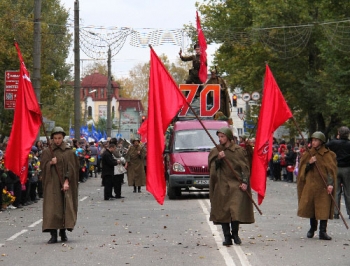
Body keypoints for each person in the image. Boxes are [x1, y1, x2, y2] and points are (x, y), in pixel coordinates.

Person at [208, 127, 254, 246]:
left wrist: (244, 182)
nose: (220, 139)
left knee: (235, 210)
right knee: (224, 211)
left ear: (228, 137)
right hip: (222, 184)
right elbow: (212, 168)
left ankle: (235, 234)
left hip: (236, 184)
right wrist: (218, 159)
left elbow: (245, 167)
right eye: (219, 137)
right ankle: (227, 237)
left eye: (222, 137)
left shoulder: (238, 151)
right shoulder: (216, 151)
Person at [41, 126, 79, 244]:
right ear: (52, 138)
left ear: (63, 138)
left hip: (65, 183)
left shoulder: (68, 152)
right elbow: (42, 167)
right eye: (55, 138)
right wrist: (50, 163)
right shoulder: (47, 152)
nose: (57, 140)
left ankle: (63, 231)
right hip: (52, 184)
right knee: (52, 208)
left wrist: (67, 181)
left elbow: (72, 168)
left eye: (59, 138)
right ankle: (53, 234)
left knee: (64, 206)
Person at [297, 131, 337, 240]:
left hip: (323, 186)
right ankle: (312, 228)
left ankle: (323, 231)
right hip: (311, 185)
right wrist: (309, 163)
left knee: (324, 208)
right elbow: (302, 171)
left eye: (316, 140)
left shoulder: (329, 155)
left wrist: (330, 184)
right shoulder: (308, 154)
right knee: (312, 208)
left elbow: (331, 171)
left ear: (321, 141)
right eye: (312, 140)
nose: (313, 142)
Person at [326, 126, 350, 219]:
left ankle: (335, 212)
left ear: (339, 133)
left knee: (336, 191)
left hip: (335, 167)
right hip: (347, 168)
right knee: (348, 191)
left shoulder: (333, 143)